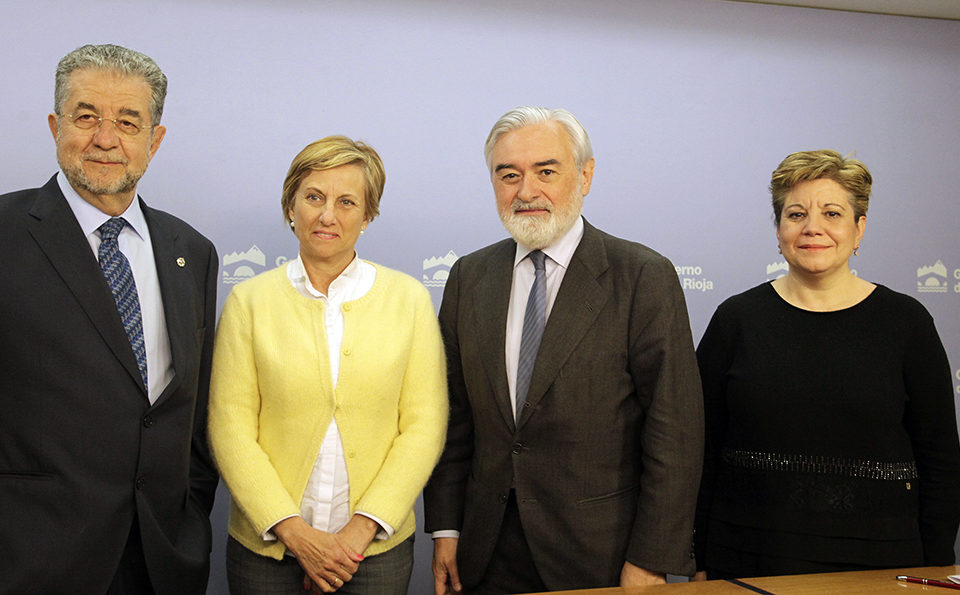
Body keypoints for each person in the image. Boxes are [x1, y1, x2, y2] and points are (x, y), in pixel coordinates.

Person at [423, 106, 704, 594]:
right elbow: (454, 417)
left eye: (546, 171)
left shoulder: (641, 276)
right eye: (508, 175)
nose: (526, 191)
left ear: (586, 175)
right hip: (486, 552)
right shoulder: (470, 277)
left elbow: (674, 431)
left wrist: (652, 558)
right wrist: (447, 529)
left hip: (602, 556)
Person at [0, 44, 219, 594]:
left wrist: (188, 514)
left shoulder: (191, 250)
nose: (105, 138)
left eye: (127, 121)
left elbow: (192, 415)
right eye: (86, 116)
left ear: (155, 139)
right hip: (31, 557)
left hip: (162, 557)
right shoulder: (4, 233)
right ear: (55, 126)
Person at [694, 150, 960, 579]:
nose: (812, 227)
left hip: (883, 564)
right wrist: (698, 558)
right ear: (779, 231)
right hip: (748, 556)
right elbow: (700, 451)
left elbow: (941, 460)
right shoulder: (735, 320)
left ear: (859, 230)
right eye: (795, 214)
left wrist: (935, 565)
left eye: (832, 213)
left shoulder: (906, 322)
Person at [208, 135, 448, 594]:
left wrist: (357, 533)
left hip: (372, 555)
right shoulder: (248, 301)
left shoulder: (409, 301)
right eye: (313, 197)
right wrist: (295, 534)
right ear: (291, 206)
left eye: (347, 201)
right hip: (268, 553)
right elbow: (230, 428)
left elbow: (424, 426)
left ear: (368, 214)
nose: (327, 215)